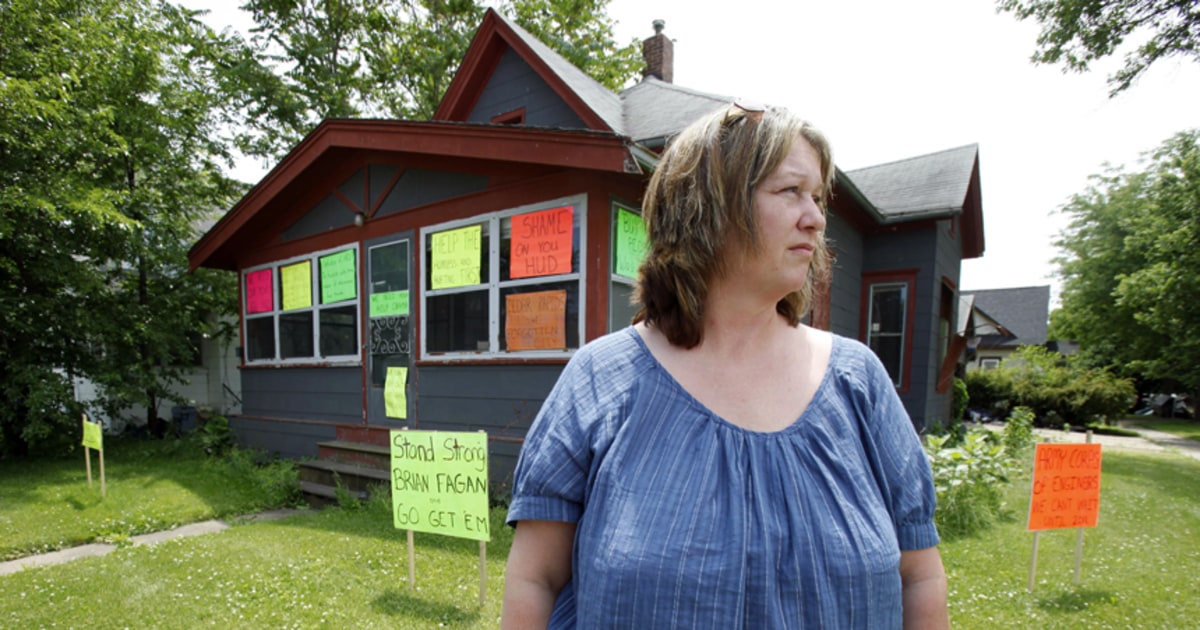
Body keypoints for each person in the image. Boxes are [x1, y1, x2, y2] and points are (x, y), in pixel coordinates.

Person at [501, 101, 949, 629]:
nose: (816, 217)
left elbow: (918, 574)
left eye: (817, 197)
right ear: (707, 206)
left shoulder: (859, 382)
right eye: (790, 191)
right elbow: (537, 578)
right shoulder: (602, 378)